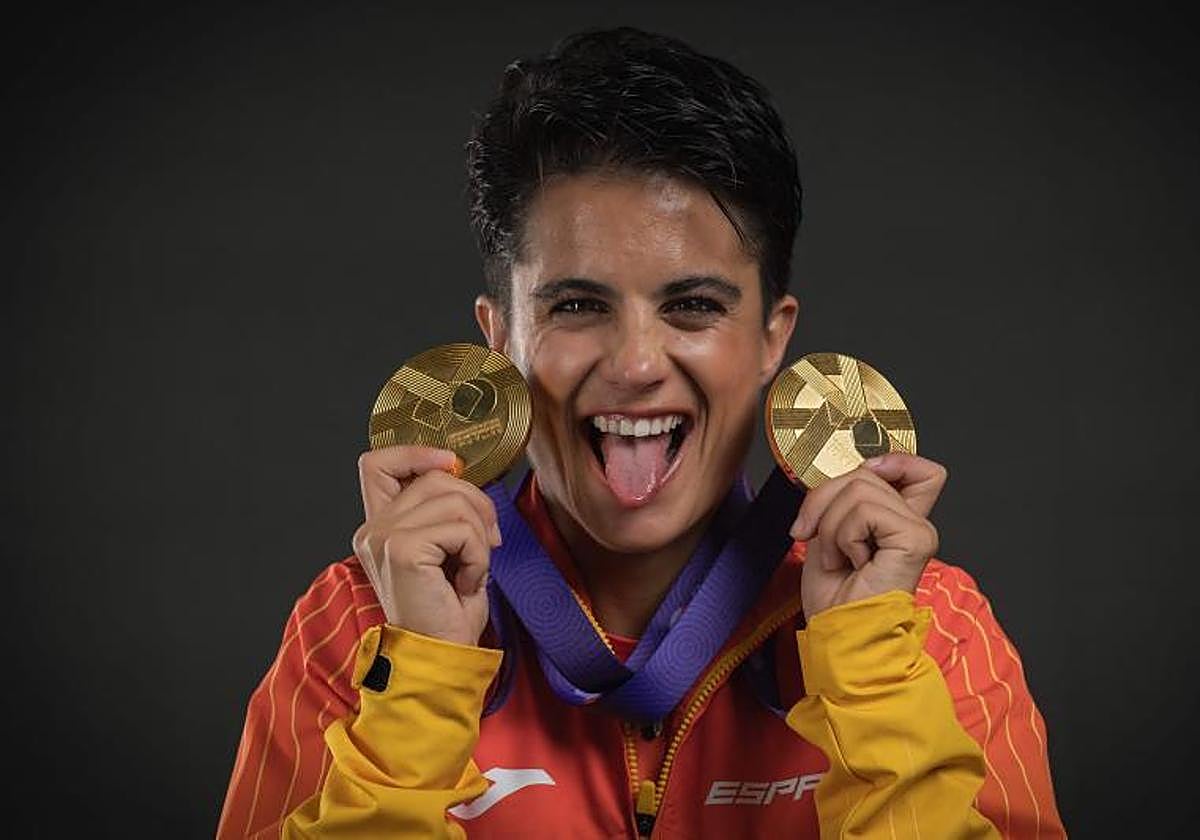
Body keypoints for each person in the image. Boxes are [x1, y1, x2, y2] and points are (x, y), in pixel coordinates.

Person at [217, 27, 1064, 838]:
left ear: (773, 338)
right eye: (577, 305)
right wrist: (422, 679)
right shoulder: (362, 624)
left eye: (693, 306)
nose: (634, 363)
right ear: (500, 338)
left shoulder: (925, 628)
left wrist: (871, 673)